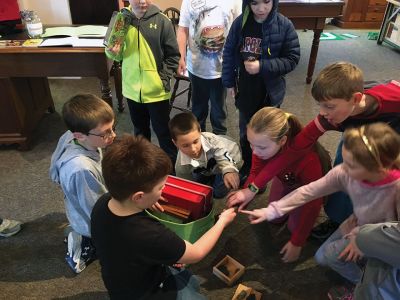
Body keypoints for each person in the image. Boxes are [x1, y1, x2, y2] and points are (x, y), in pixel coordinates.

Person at [232, 62, 400, 240]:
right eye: (320, 105)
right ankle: (336, 219)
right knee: (344, 168)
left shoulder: (393, 98)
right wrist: (252, 187)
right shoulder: (332, 116)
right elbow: (293, 151)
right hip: (356, 129)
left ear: (356, 99)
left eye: (329, 106)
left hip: (393, 133)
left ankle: (374, 226)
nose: (322, 112)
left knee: (380, 181)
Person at [241, 123, 400, 298]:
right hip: (359, 224)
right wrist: (271, 211)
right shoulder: (344, 172)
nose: (343, 170)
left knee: (371, 281)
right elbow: (308, 191)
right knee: (323, 256)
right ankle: (360, 278)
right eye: (343, 161)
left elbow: (393, 234)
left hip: (383, 240)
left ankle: (359, 285)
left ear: (379, 167)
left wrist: (361, 239)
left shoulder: (396, 189)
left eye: (351, 165)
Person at [91, 135, 236, 299]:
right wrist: (222, 222)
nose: (164, 189)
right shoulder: (151, 234)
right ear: (138, 196)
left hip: (121, 284)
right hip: (148, 292)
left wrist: (146, 201)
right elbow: (196, 253)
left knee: (188, 280)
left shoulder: (103, 203)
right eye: (161, 187)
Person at [226, 107, 331, 262]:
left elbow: (313, 203)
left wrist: (297, 241)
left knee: (294, 229)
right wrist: (246, 192)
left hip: (306, 190)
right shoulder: (261, 146)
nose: (254, 152)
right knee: (274, 219)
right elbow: (256, 172)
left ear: (282, 141)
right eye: (250, 144)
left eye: (261, 147)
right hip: (286, 179)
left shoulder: (310, 161)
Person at [222, 0, 300, 176]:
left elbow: (292, 58)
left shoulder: (284, 25)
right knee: (246, 132)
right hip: (245, 90)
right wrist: (229, 82)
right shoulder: (240, 23)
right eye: (255, 3)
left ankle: (263, 170)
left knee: (267, 135)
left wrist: (262, 66)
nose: (261, 9)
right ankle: (249, 165)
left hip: (270, 94)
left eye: (266, 2)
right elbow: (228, 52)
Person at [105, 0, 179, 165]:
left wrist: (163, 79)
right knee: (140, 133)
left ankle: (173, 169)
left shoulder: (162, 21)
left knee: (163, 132)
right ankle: (144, 167)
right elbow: (114, 55)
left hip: (157, 91)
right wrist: (113, 52)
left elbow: (173, 55)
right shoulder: (121, 19)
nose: (143, 1)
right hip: (132, 90)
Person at [49, 94, 116, 274]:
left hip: (82, 197)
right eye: (106, 133)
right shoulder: (81, 169)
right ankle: (81, 245)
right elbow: (97, 210)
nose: (113, 135)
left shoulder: (71, 135)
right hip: (89, 220)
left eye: (112, 128)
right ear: (80, 135)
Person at [177, 0, 242, 135]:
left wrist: (236, 62)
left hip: (222, 68)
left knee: (219, 111)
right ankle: (198, 143)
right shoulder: (188, 1)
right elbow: (183, 29)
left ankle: (220, 142)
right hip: (196, 67)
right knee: (198, 109)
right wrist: (181, 56)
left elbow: (239, 31)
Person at [169, 112, 243, 198]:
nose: (193, 149)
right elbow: (185, 184)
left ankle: (240, 174)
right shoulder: (180, 165)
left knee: (218, 193)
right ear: (175, 143)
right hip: (209, 166)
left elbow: (222, 155)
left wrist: (229, 170)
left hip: (232, 156)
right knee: (199, 186)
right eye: (185, 145)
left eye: (196, 141)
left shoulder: (212, 140)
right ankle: (211, 176)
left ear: (200, 132)